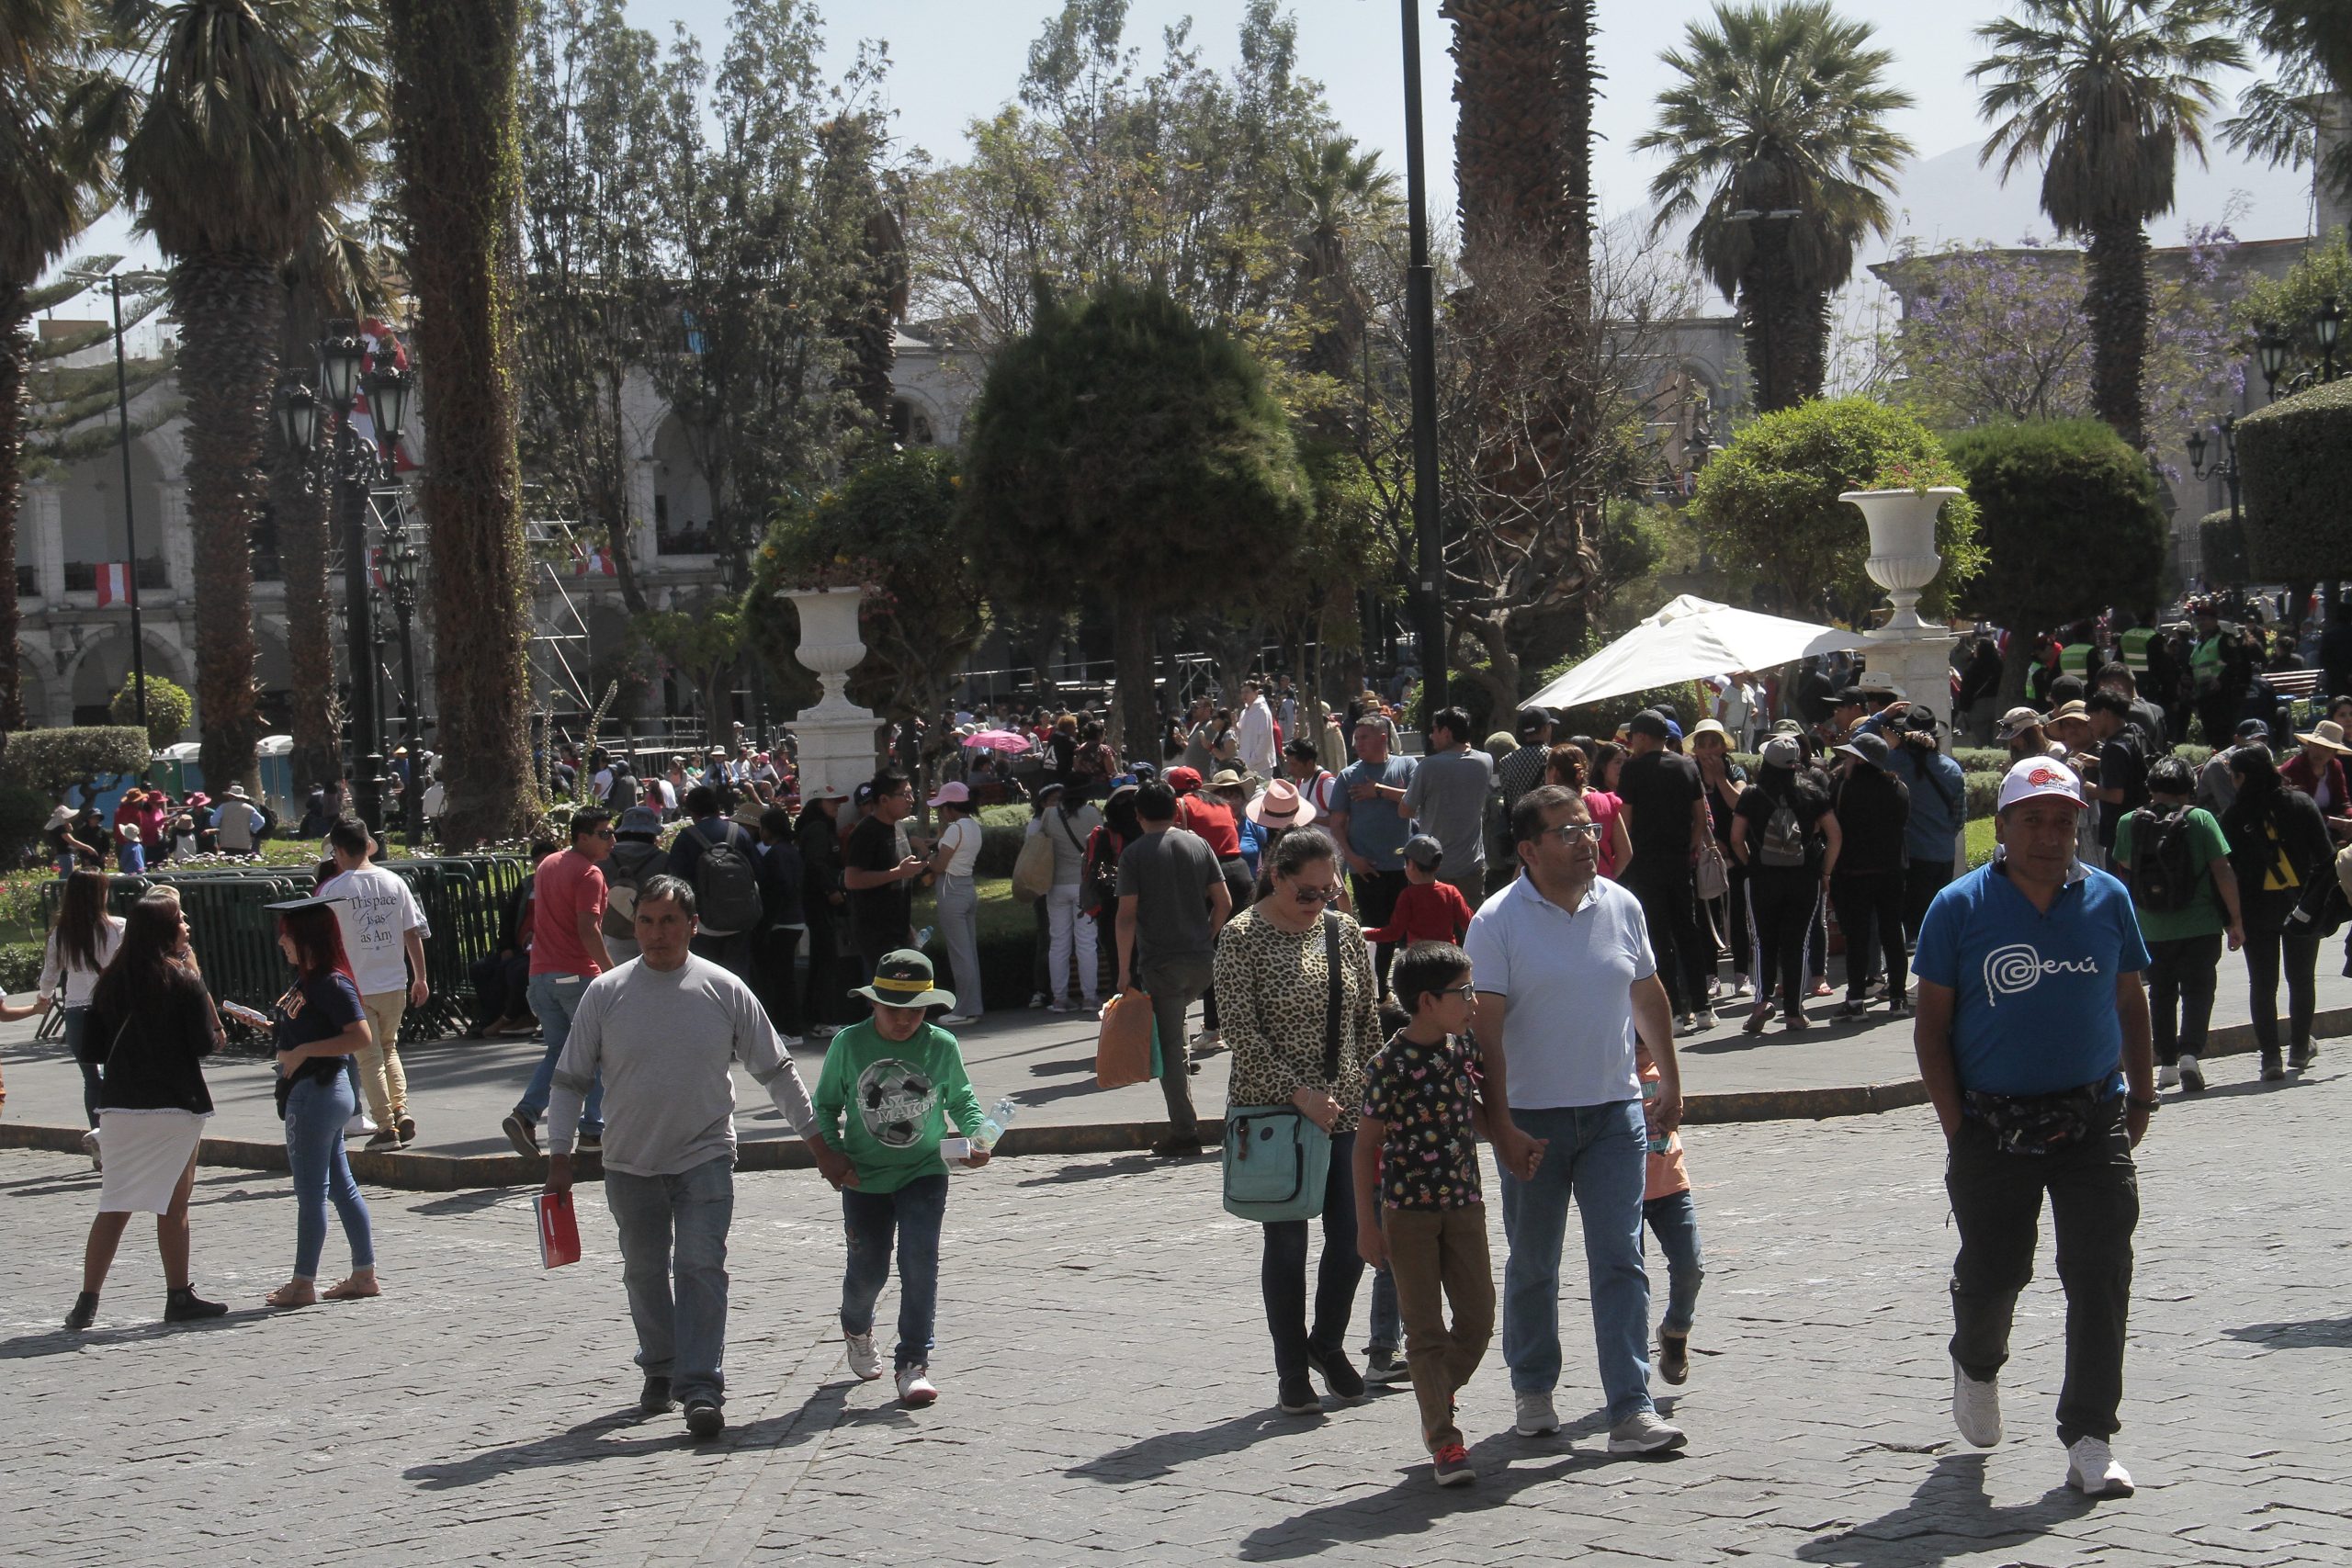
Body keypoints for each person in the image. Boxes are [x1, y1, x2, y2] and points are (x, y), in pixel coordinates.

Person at [1911, 756, 2155, 1499]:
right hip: (1992, 1124)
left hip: (2092, 1116)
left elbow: (2130, 999)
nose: (2051, 836)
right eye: (2034, 820)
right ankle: (1977, 1361)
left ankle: (2089, 1435)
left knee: (2101, 1270)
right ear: (2004, 827)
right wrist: (1959, 1128)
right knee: (1994, 1269)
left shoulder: (2107, 896)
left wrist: (2141, 1095)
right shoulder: (1958, 906)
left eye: (2064, 821)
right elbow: (1932, 1029)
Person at [544, 876, 845, 1438]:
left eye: (669, 921)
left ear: (692, 925)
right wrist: (559, 1155)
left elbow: (776, 1071)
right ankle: (660, 1366)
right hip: (629, 1162)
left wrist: (817, 1145)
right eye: (646, 922)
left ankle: (701, 1387)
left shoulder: (724, 989)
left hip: (704, 1155)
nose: (656, 934)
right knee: (643, 1271)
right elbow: (569, 1080)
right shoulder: (605, 993)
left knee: (701, 1266)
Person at [1464, 784, 1687, 1454]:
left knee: (1621, 1256)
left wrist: (1671, 1080)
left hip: (1615, 1110)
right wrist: (1498, 1124)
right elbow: (1487, 1034)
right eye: (1568, 831)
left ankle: (1631, 1406)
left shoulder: (1621, 905)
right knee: (1534, 1260)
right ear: (1528, 849)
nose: (1587, 839)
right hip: (1532, 1118)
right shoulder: (1497, 920)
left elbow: (1647, 994)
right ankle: (1533, 1387)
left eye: (1589, 827)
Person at [1217, 828, 1383, 1415]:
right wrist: (1298, 1094)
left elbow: (1367, 1019)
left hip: (1343, 1107)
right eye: (1305, 892)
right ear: (1277, 877)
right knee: (1287, 1244)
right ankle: (1292, 1369)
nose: (1318, 903)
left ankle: (1327, 1343)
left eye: (1327, 891)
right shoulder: (1241, 937)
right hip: (1272, 1112)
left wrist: (1373, 1093)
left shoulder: (1340, 932)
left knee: (1354, 1236)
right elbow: (1239, 1031)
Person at [810, 948, 991, 1409]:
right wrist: (831, 1155)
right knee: (867, 1272)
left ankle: (912, 1362)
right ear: (873, 1003)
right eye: (893, 1009)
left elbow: (963, 1100)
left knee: (919, 1262)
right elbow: (826, 1106)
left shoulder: (941, 1045)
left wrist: (977, 1137)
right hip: (863, 1176)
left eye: (915, 1010)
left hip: (924, 1171)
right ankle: (856, 1324)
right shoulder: (849, 1044)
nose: (903, 1020)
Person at [1351, 941, 1500, 1487]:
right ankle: (1445, 1442)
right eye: (1462, 993)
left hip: (1464, 1202)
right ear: (1426, 1001)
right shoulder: (1388, 1064)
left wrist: (1511, 1143)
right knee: (1424, 1329)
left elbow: (1477, 1112)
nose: (1472, 1002)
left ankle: (1437, 1388)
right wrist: (1368, 1225)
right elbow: (1364, 1146)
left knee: (1480, 1317)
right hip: (1407, 1213)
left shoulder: (1462, 1049)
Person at [65, 891, 230, 1331]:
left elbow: (92, 1048)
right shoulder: (183, 979)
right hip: (175, 1104)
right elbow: (201, 1044)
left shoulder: (111, 981)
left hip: (120, 1105)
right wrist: (217, 1036)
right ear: (164, 929)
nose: (187, 926)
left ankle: (86, 1301)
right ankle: (178, 1295)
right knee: (174, 1205)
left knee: (114, 1203)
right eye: (181, 920)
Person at [261, 897, 380, 1309]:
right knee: (340, 1185)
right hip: (319, 1090)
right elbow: (306, 1023)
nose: (282, 944)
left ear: (306, 938)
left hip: (317, 1092)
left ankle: (302, 1282)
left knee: (310, 1191)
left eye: (287, 936)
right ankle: (363, 1273)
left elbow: (360, 1036)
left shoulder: (331, 981)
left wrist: (305, 1051)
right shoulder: (309, 980)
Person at [1114, 779, 1234, 1156]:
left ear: (1138, 815)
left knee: (1172, 1049)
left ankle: (1184, 1131)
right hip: (1202, 961)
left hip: (1161, 963)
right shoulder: (1198, 844)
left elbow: (1126, 917)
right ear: (1176, 810)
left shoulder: (1134, 855)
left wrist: (1122, 971)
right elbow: (1224, 902)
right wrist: (1207, 935)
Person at [2112, 756, 2243, 1094]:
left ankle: (2167, 1064)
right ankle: (2190, 1056)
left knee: (2161, 992)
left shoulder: (2129, 821)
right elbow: (2222, 869)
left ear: (2151, 787)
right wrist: (2236, 920)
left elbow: (2125, 865)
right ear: (2189, 788)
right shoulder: (2201, 819)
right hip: (2201, 923)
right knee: (2199, 991)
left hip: (2152, 927)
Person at [502, 810, 614, 1157]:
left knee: (560, 1051)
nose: (611, 839)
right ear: (582, 837)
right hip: (576, 975)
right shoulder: (589, 873)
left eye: (611, 832)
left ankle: (526, 1114)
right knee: (597, 1052)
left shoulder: (548, 864)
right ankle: (593, 1130)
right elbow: (587, 929)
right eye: (603, 833)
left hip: (540, 976)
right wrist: (612, 973)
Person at [316, 818, 431, 1151]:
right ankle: (401, 1108)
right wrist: (420, 976)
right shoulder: (395, 882)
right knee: (389, 1047)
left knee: (369, 1057)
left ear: (337, 852)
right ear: (368, 844)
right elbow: (413, 932)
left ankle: (384, 1125)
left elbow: (324, 940)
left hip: (355, 983)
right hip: (394, 980)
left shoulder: (332, 890)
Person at [2220, 745, 2331, 1082]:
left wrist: (2232, 920)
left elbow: (2227, 873)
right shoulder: (2300, 803)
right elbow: (2326, 860)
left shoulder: (2235, 817)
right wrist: (2317, 901)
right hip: (2301, 906)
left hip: (2255, 910)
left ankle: (2270, 1057)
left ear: (2242, 777)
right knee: (2301, 979)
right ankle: (2299, 1046)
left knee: (2263, 984)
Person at [1615, 710, 1713, 1034]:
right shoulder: (1686, 765)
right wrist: (1691, 847)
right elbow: (1700, 816)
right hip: (1678, 860)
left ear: (1642, 736)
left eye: (1633, 738)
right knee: (1688, 931)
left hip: (1645, 864)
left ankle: (1674, 1013)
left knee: (1658, 938)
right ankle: (1703, 1007)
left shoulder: (1632, 771)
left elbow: (1626, 821)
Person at [37, 869, 125, 1157]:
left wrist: (43, 999)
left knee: (92, 1079)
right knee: (116, 1075)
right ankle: (119, 1138)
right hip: (113, 1007)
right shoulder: (119, 927)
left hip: (78, 1009)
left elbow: (50, 974)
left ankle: (100, 1138)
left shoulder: (62, 934)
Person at [1327, 718, 1417, 997]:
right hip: (1366, 868)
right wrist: (1352, 858)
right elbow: (1336, 824)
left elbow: (1414, 803)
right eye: (1356, 738)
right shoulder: (1347, 775)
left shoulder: (1406, 766)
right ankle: (1378, 990)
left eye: (1364, 737)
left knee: (1408, 931)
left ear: (1382, 737)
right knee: (1376, 931)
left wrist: (1378, 790)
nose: (1358, 744)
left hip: (1404, 866)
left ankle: (1410, 985)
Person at [1829, 732, 1911, 1017]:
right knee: (1892, 935)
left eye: (1851, 756)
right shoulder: (1898, 787)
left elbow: (1834, 825)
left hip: (1855, 872)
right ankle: (1898, 998)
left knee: (1858, 938)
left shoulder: (1844, 787)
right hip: (1892, 871)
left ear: (1860, 759)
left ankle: (1855, 1001)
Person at [1637, 1040, 1703, 1388]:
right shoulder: (1602, 1067)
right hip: (1624, 1192)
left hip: (1671, 1183)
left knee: (1690, 1266)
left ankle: (1676, 1330)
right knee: (1630, 1283)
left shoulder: (1663, 1064)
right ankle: (1631, 1374)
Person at [1884, 708, 1968, 942]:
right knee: (1935, 924)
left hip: (1911, 857)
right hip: (1943, 855)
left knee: (1910, 930)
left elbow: (1860, 741)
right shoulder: (1952, 769)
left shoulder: (1893, 764)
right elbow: (1959, 818)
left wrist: (1881, 717)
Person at [1400, 707, 1495, 908]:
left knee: (1435, 931)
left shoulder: (1429, 766)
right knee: (1470, 928)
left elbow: (1405, 810)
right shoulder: (1485, 761)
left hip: (1433, 866)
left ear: (1446, 732)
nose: (1431, 736)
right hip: (1472, 863)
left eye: (1434, 730)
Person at [664, 785, 763, 977]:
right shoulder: (740, 833)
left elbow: (676, 881)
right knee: (738, 979)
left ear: (692, 812)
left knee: (705, 978)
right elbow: (759, 872)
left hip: (702, 924)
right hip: (741, 922)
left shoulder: (686, 837)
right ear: (717, 807)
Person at [842, 771, 925, 989]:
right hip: (876, 932)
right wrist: (898, 873)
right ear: (884, 800)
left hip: (900, 928)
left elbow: (902, 871)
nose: (911, 800)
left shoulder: (898, 826)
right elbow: (852, 880)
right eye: (905, 794)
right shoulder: (866, 832)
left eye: (911, 793)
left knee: (908, 991)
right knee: (890, 996)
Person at [1028, 781, 1104, 1013]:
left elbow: (1039, 841)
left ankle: (1060, 998)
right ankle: (1090, 997)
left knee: (1058, 942)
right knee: (1086, 941)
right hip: (1084, 884)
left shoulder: (1050, 814)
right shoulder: (1092, 813)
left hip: (1056, 885)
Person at [924, 782, 987, 1028]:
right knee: (969, 952)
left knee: (960, 955)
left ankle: (964, 1009)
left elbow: (939, 866)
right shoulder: (973, 827)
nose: (941, 812)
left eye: (942, 808)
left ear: (950, 808)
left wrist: (925, 853)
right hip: (968, 888)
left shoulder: (954, 830)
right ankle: (973, 1006)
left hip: (951, 890)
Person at [796, 784, 851, 1037]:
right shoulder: (818, 830)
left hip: (819, 902)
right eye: (832, 803)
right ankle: (823, 1019)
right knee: (826, 959)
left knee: (822, 958)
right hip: (820, 902)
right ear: (818, 804)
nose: (837, 807)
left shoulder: (820, 829)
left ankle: (815, 1015)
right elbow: (816, 864)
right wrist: (832, 890)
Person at [1360, 835, 1475, 950]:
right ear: (1437, 866)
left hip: (1419, 959)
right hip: (1448, 956)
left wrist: (1362, 934)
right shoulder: (1451, 892)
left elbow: (1394, 933)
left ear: (1412, 865)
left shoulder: (1408, 896)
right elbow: (1470, 923)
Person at [752, 805, 807, 1041]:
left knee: (782, 977)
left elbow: (780, 888)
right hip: (796, 919)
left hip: (781, 922)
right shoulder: (792, 851)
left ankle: (790, 1029)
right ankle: (791, 1027)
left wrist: (767, 920)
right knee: (786, 975)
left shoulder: (775, 855)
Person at [600, 806, 670, 966]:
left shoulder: (605, 858)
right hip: (653, 931)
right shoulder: (663, 859)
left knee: (618, 982)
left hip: (615, 930)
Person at [2282, 719, 2352, 843]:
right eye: (2316, 745)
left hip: (2329, 820)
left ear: (2333, 753)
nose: (2319, 752)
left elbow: (2343, 802)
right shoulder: (2294, 768)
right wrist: (2335, 822)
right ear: (2308, 745)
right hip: (2300, 826)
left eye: (2326, 749)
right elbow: (2300, 811)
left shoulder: (2335, 766)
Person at [1237, 679, 1279, 778]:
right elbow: (1241, 736)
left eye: (1247, 692)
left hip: (1261, 766)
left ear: (1256, 692)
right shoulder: (1244, 712)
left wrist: (1253, 759)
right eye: (1242, 692)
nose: (1244, 695)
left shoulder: (1263, 711)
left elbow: (1265, 738)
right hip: (1246, 765)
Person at [213, 784, 265, 857]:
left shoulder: (223, 807)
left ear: (230, 796)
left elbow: (213, 822)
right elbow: (261, 822)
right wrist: (252, 829)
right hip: (244, 844)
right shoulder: (249, 808)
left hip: (226, 843)